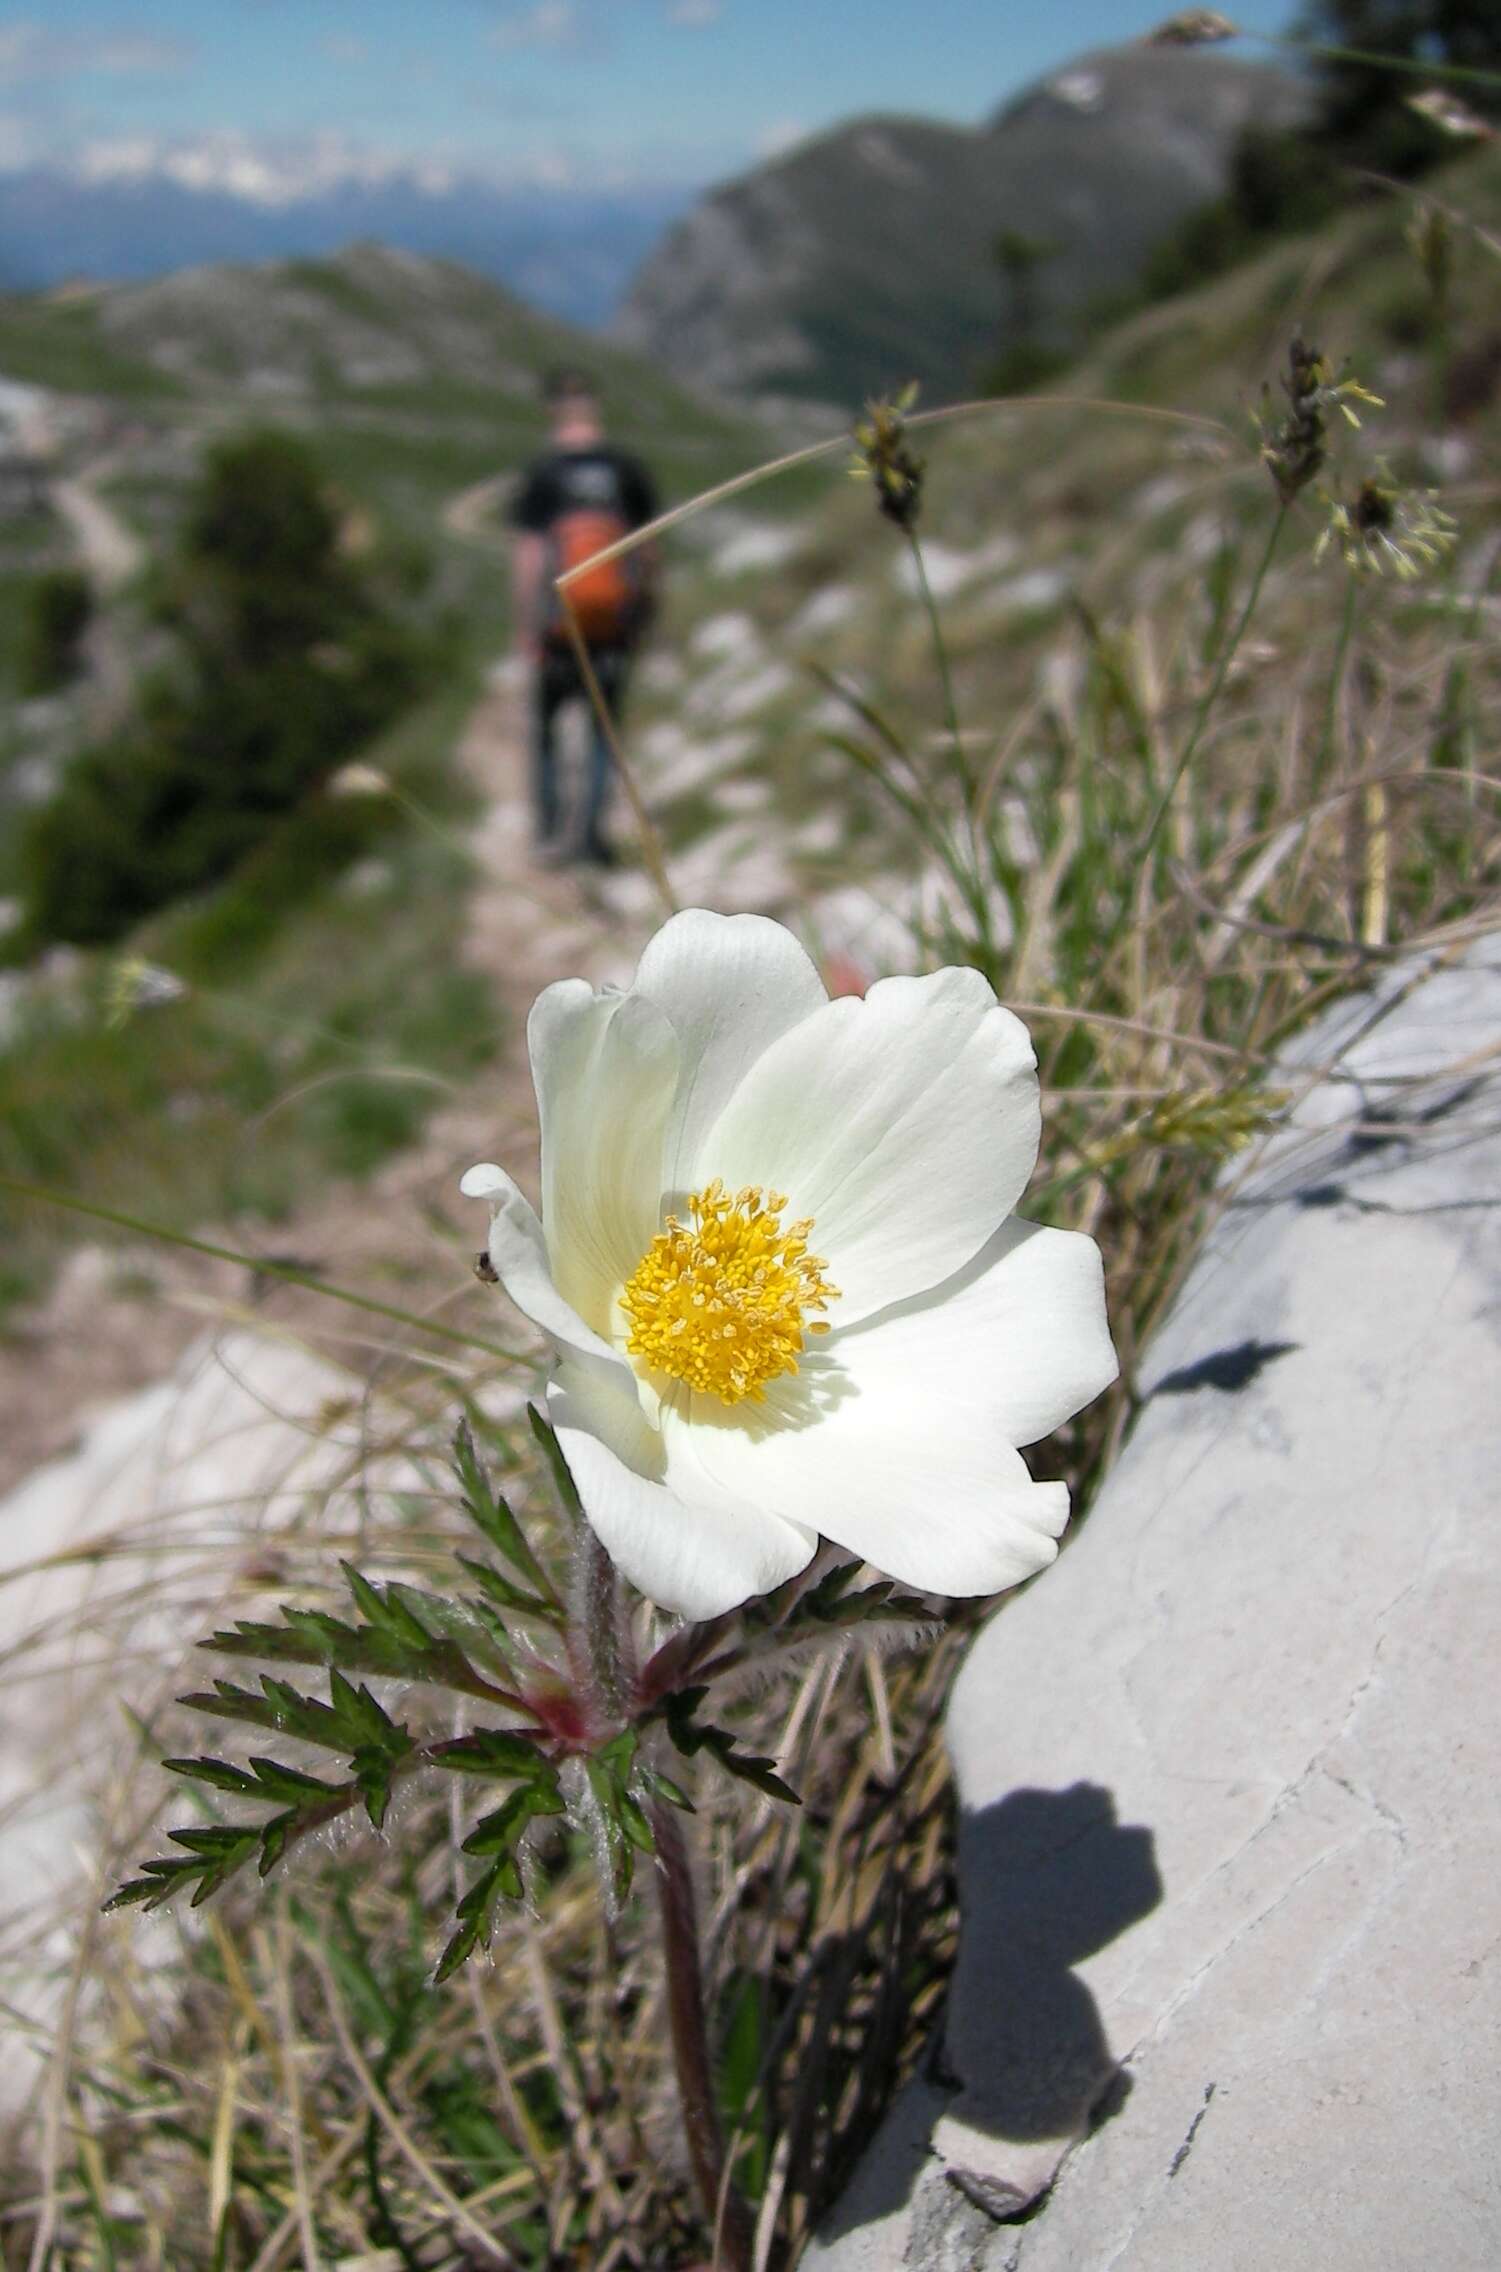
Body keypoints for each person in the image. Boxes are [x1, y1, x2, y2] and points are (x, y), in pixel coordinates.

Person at [510, 369, 659, 866]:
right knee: (602, 734)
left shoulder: (544, 474)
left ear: (554, 412)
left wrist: (528, 626)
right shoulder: (627, 471)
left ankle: (550, 837)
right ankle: (592, 840)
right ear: (594, 408)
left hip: (557, 630)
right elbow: (649, 549)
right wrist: (643, 613)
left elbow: (531, 559)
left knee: (548, 734)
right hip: (613, 630)